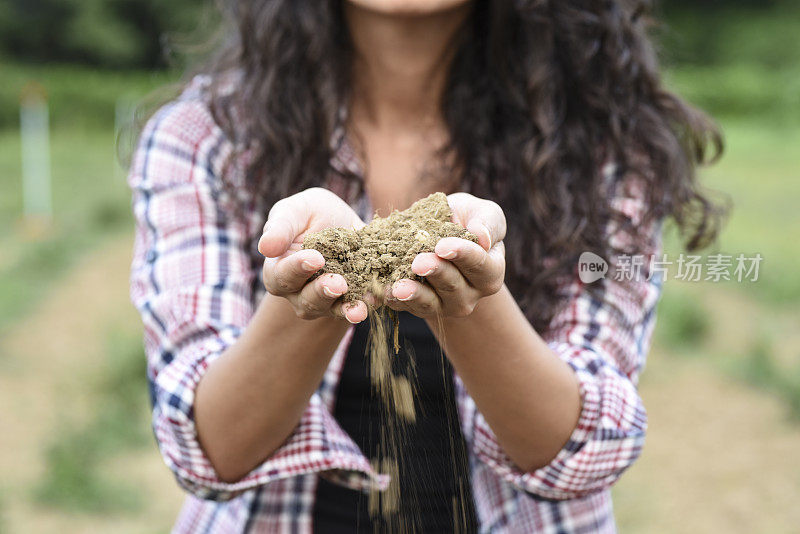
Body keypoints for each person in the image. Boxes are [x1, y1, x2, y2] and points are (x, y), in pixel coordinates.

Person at [128, 0, 723, 531]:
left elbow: (583, 452)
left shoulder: (605, 148)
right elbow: (213, 451)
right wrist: (317, 278)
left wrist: (476, 296)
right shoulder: (208, 137)